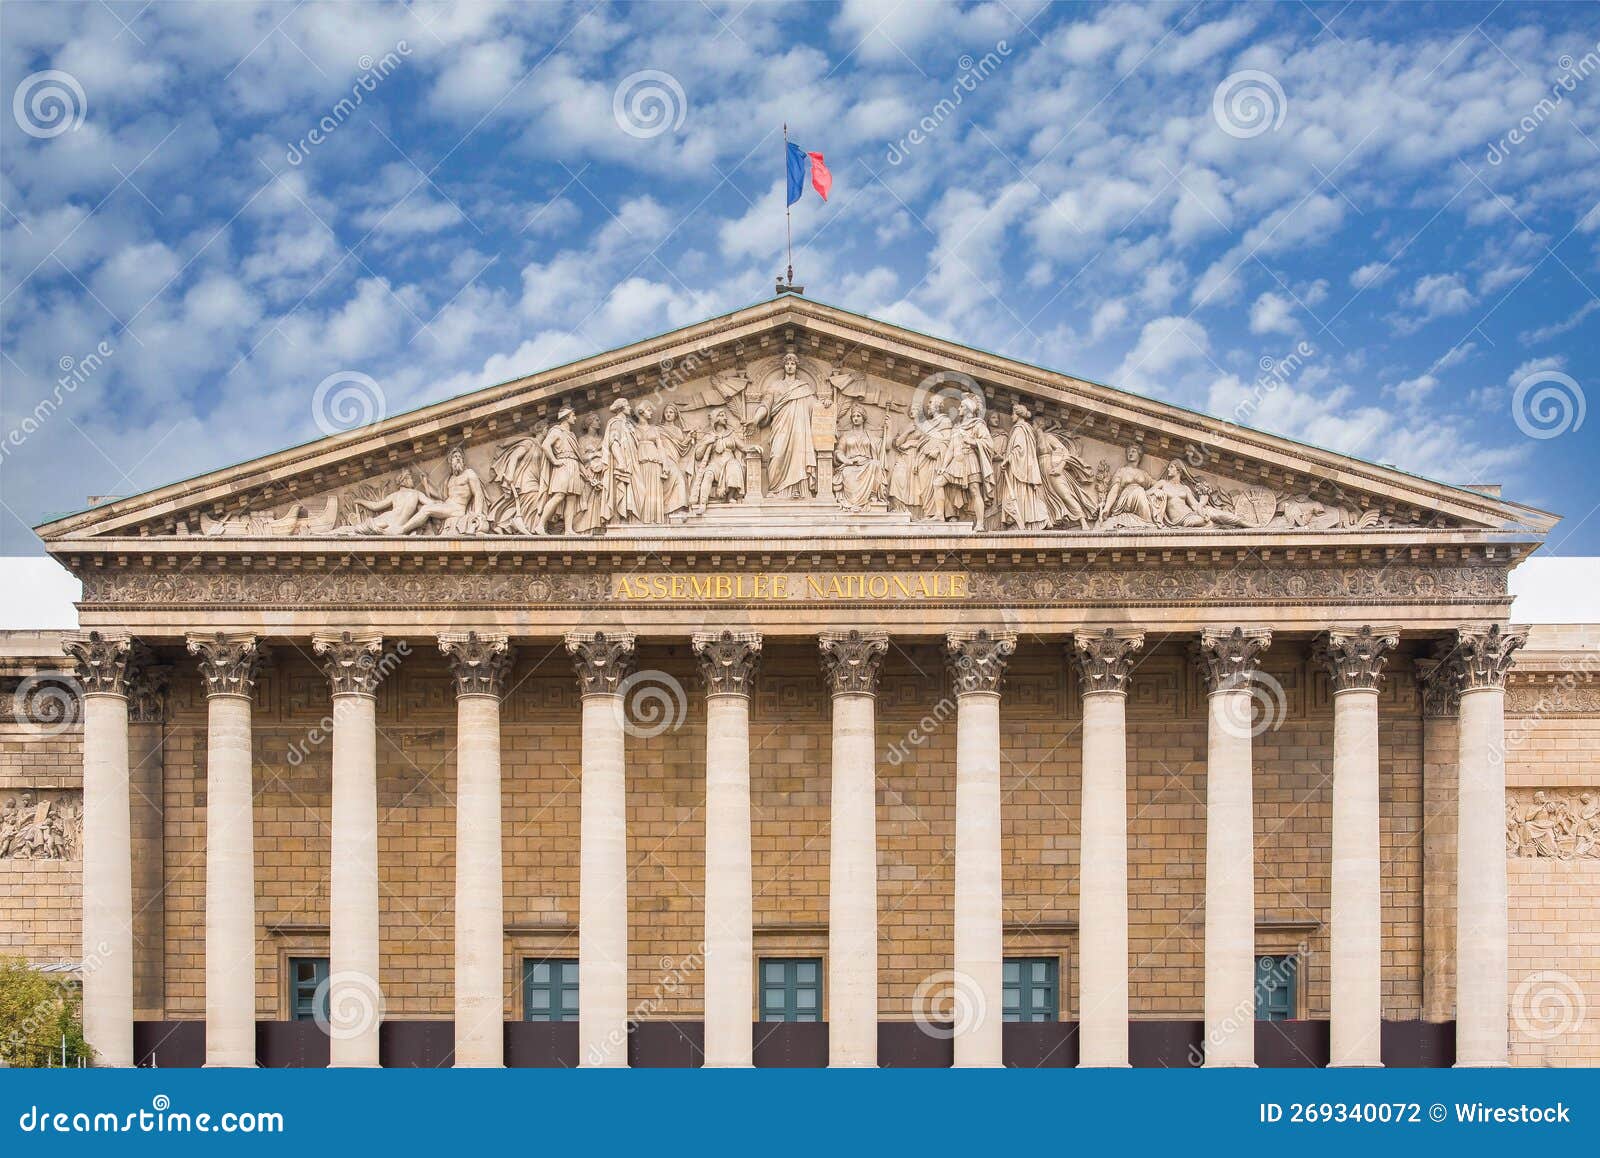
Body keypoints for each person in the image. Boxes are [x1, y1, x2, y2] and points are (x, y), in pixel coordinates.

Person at [749, 352, 818, 498]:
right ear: (784, 366)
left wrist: (826, 404)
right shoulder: (775, 386)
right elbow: (765, 405)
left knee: (800, 456)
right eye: (787, 364)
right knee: (777, 454)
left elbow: (815, 407)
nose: (790, 366)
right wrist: (755, 420)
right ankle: (775, 490)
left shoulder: (803, 388)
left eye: (793, 364)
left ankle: (798, 490)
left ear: (796, 366)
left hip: (800, 430)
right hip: (780, 428)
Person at [934, 394, 993, 532]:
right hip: (956, 461)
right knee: (937, 483)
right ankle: (939, 515)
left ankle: (980, 523)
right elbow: (950, 449)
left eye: (961, 406)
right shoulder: (956, 427)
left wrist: (972, 441)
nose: (959, 408)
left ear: (967, 409)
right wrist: (944, 466)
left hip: (970, 459)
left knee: (974, 490)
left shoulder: (977, 425)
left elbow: (989, 443)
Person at [533, 408, 586, 535]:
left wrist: (586, 474)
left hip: (573, 465)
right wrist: (555, 461)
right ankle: (540, 525)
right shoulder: (557, 431)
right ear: (566, 417)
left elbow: (577, 456)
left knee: (571, 499)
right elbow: (545, 445)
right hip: (563, 465)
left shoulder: (571, 435)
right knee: (559, 495)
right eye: (573, 415)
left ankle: (568, 530)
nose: (575, 418)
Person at [1000, 403, 1050, 530]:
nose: (1011, 416)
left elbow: (1019, 449)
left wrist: (1007, 460)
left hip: (1020, 471)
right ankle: (1026, 520)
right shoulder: (1026, 429)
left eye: (1012, 414)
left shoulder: (1019, 429)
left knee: (1020, 493)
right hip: (1024, 469)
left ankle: (1023, 520)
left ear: (1018, 414)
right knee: (1025, 494)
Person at [689, 408, 749, 511]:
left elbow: (743, 447)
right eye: (722, 415)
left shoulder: (731, 434)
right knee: (708, 474)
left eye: (725, 415)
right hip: (714, 463)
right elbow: (698, 455)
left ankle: (730, 496)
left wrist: (753, 447)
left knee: (734, 466)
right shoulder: (708, 435)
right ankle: (703, 503)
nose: (725, 418)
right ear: (715, 418)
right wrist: (707, 442)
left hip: (729, 461)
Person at [833, 404, 884, 511]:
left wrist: (889, 428)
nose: (855, 418)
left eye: (858, 416)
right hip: (850, 465)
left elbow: (886, 446)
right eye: (853, 416)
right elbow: (838, 452)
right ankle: (853, 502)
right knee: (847, 472)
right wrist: (848, 461)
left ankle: (872, 495)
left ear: (863, 418)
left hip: (867, 465)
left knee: (875, 464)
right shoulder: (846, 435)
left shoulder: (870, 435)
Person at [601, 398, 640, 524]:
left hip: (631, 461)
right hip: (623, 462)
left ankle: (628, 517)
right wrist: (621, 461)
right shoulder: (616, 422)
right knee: (622, 488)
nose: (630, 408)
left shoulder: (627, 424)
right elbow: (613, 442)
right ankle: (621, 518)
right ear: (621, 408)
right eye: (627, 406)